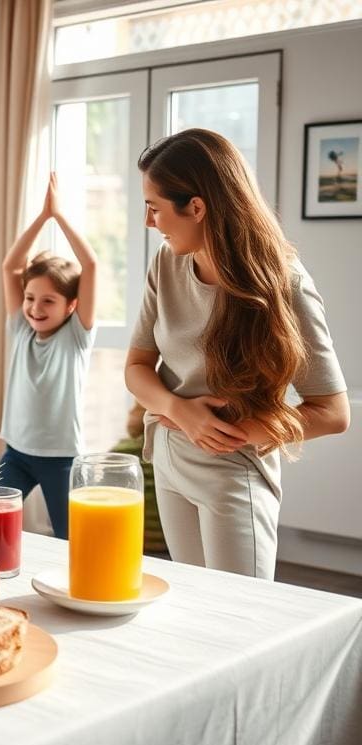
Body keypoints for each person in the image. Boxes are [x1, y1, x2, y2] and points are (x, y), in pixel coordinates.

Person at [126, 128, 350, 580]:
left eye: (154, 207)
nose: (149, 221)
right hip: (170, 456)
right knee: (194, 610)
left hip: (234, 468)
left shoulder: (284, 284)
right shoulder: (166, 264)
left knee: (241, 619)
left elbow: (333, 412)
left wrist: (234, 432)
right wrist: (179, 411)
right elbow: (136, 368)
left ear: (197, 207)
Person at [0, 172, 98, 539]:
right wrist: (41, 217)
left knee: (69, 539)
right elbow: (10, 267)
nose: (35, 308)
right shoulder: (22, 330)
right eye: (29, 298)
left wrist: (59, 217)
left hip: (61, 459)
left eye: (48, 301)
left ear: (71, 305)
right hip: (16, 454)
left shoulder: (76, 336)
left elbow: (91, 267)